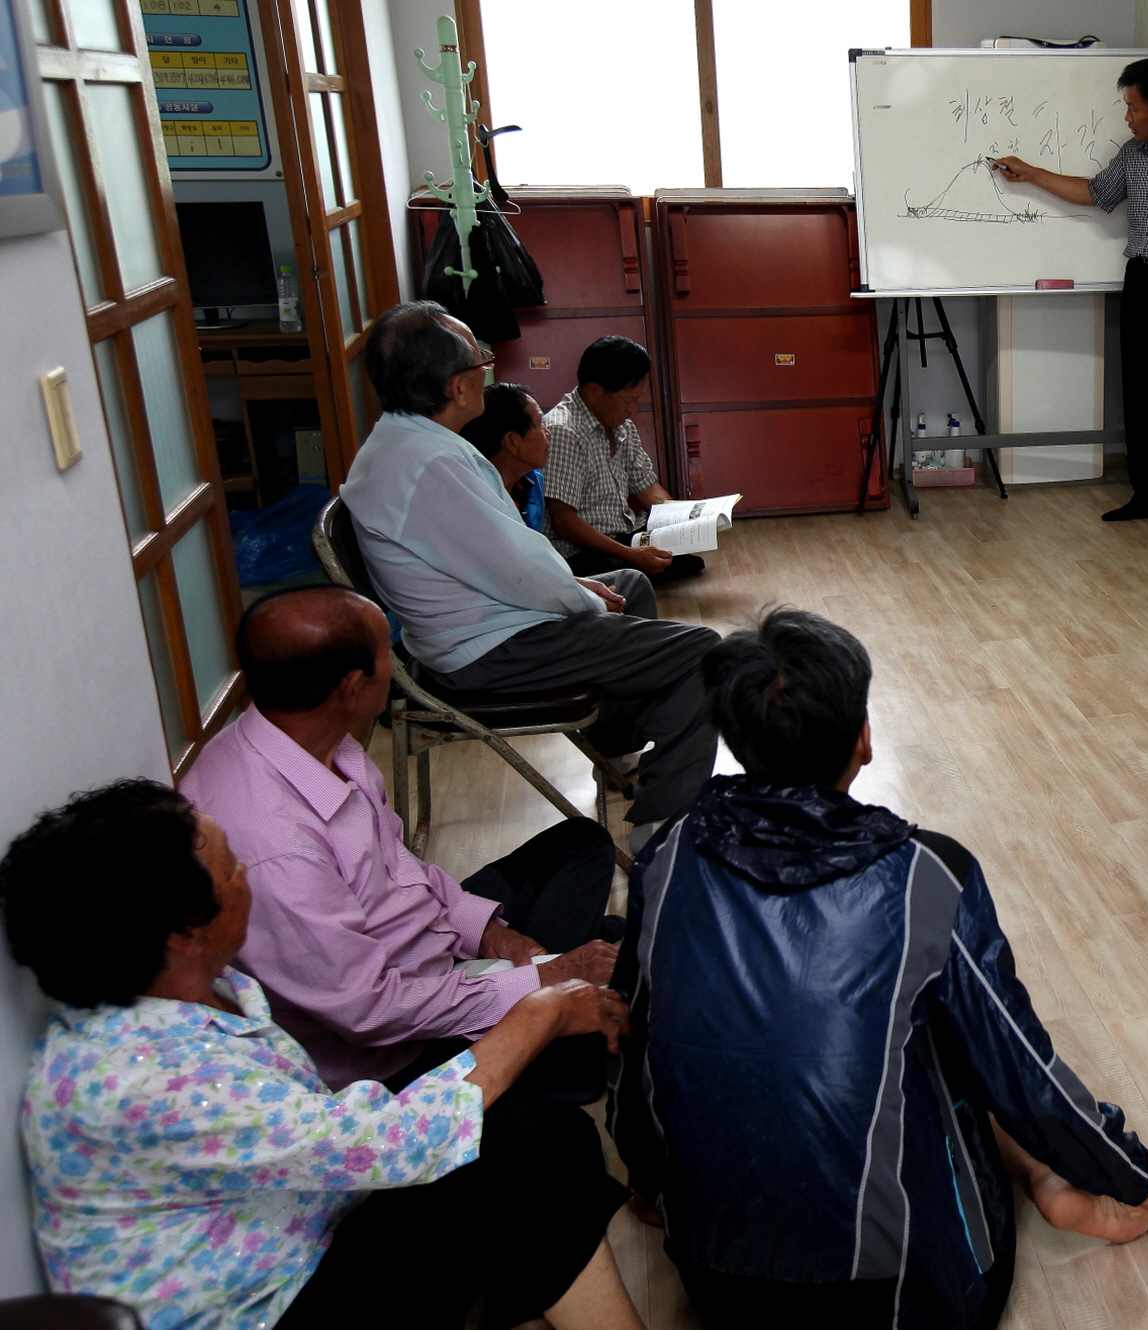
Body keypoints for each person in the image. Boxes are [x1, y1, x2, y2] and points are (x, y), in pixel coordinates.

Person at [609, 607, 1148, 1330]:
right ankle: (1050, 1179)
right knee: (943, 1025)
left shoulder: (669, 856)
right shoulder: (923, 876)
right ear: (864, 739)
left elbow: (632, 1035)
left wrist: (647, 1179)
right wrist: (1132, 1170)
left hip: (716, 1287)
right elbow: (1021, 1069)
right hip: (904, 1298)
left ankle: (1048, 1176)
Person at [2, 780, 642, 1330]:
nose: (248, 873)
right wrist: (541, 1009)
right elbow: (390, 1142)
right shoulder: (138, 1079)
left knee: (526, 1137)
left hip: (306, 1225)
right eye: (231, 869)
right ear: (183, 936)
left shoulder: (198, 995)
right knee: (523, 1146)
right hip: (265, 1307)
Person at [179, 585, 621, 1089]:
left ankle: (576, 978)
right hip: (400, 1037)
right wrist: (541, 982)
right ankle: (566, 1014)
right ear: (350, 687)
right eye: (387, 650)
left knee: (583, 843)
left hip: (430, 949)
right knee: (584, 1064)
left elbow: (399, 866)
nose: (396, 662)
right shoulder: (273, 848)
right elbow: (371, 1011)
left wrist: (490, 933)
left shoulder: (319, 742)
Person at [340, 301, 720, 847]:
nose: (487, 371)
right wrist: (582, 600)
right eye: (481, 362)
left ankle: (614, 743)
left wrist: (577, 587)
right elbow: (518, 573)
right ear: (457, 387)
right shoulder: (433, 464)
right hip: (484, 651)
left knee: (628, 585)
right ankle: (662, 825)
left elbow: (510, 557)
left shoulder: (407, 442)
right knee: (703, 649)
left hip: (484, 627)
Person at [993, 57, 1148, 537]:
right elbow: (1094, 192)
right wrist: (1031, 172)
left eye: (1132, 108)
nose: (1126, 117)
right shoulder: (1135, 153)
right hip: (1143, 283)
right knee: (1142, 398)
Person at [543, 334, 705, 582]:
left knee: (682, 557)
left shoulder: (622, 427)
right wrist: (630, 554)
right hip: (582, 548)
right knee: (623, 568)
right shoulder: (563, 431)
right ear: (595, 391)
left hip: (624, 532)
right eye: (630, 399)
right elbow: (562, 520)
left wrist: (681, 521)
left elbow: (646, 486)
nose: (633, 408)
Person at [462, 380, 551, 531]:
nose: (548, 433)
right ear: (512, 442)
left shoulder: (532, 480)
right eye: (539, 424)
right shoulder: (472, 497)